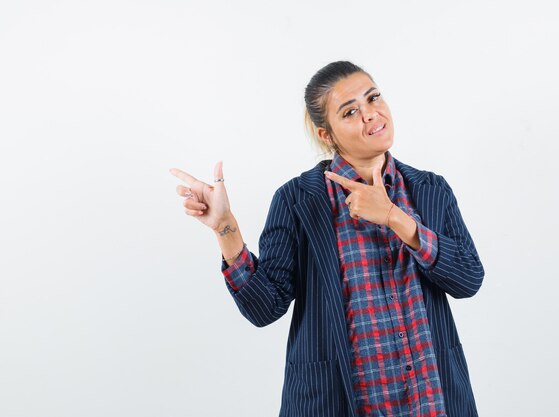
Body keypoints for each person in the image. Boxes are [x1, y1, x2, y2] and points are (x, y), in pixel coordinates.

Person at [170, 61, 485, 417]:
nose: (371, 115)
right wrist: (225, 227)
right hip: (334, 403)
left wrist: (396, 218)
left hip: (432, 402)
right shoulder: (297, 201)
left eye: (374, 98)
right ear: (326, 135)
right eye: (350, 111)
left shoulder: (430, 190)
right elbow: (264, 308)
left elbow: (469, 279)